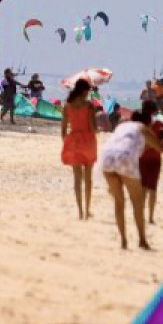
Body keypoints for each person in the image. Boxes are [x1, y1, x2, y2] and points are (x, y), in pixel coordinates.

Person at [98, 108, 151, 250]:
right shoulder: (143, 128)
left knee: (119, 203)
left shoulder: (122, 126)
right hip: (125, 159)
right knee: (137, 203)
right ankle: (142, 240)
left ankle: (123, 241)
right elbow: (156, 146)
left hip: (106, 158)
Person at [60, 78, 98, 220]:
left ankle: (80, 211)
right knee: (88, 179)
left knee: (77, 179)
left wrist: (67, 142)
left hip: (73, 141)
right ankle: (87, 210)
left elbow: (63, 130)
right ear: (84, 91)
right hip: (88, 141)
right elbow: (93, 129)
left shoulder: (67, 106)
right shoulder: (88, 106)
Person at [139, 106, 163, 227]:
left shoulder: (143, 125)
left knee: (147, 189)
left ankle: (147, 216)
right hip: (150, 159)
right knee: (150, 189)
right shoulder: (151, 125)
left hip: (147, 159)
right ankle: (148, 217)